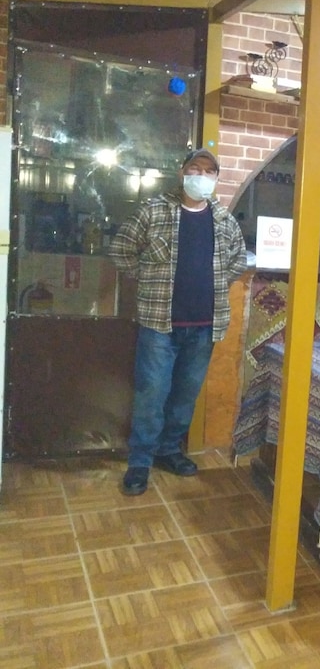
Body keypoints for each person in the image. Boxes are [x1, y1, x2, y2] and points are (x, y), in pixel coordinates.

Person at [109, 148, 247, 496]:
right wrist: (148, 278)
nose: (201, 176)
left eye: (209, 171)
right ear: (182, 172)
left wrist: (215, 284)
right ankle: (140, 461)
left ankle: (169, 449)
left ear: (216, 179)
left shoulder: (223, 219)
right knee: (151, 395)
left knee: (185, 396)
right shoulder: (153, 211)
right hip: (159, 324)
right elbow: (122, 250)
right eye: (194, 168)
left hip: (205, 326)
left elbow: (238, 260)